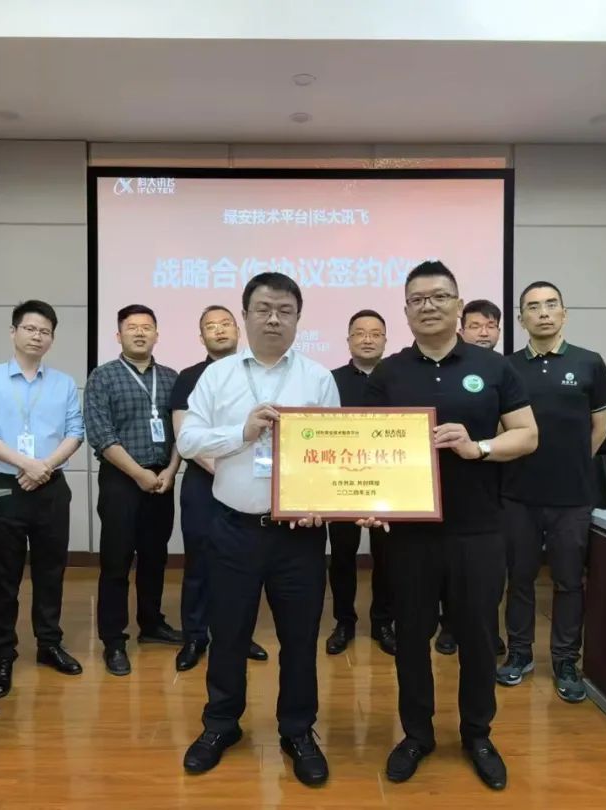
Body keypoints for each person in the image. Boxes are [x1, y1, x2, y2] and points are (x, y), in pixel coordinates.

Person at [362, 261, 537, 789]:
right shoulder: (388, 373)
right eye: (418, 299)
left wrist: (477, 446)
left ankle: (477, 734)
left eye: (440, 296)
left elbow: (527, 435)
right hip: (409, 534)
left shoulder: (494, 366)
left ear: (459, 305)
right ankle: (416, 734)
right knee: (411, 637)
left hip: (478, 529)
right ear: (406, 311)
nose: (429, 306)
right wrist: (366, 498)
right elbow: (367, 446)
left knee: (479, 637)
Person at [177, 272, 340, 786]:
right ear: (245, 315)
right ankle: (221, 725)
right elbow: (188, 441)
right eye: (263, 309)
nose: (274, 319)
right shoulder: (217, 376)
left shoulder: (318, 378)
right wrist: (241, 432)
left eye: (285, 310)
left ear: (298, 318)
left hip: (300, 535)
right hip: (233, 528)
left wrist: (321, 503)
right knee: (228, 632)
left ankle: (298, 730)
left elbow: (334, 451)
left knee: (299, 637)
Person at [496, 281, 606, 704]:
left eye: (551, 305)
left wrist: (571, 464)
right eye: (533, 307)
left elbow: (600, 427)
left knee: (568, 581)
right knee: (520, 578)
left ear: (564, 313)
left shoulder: (589, 363)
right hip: (518, 493)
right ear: (521, 318)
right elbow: (501, 427)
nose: (543, 312)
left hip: (572, 496)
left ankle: (565, 659)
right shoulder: (507, 367)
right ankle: (520, 653)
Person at [0, 300, 85, 699]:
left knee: (51, 572)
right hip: (6, 486)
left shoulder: (64, 383)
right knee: (4, 577)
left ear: (52, 339)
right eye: (30, 329)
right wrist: (27, 465)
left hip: (51, 487)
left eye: (45, 331)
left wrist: (44, 467)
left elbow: (75, 431)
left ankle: (49, 644)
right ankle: (3, 654)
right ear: (13, 332)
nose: (37, 336)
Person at [84, 304, 182, 676]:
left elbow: (182, 431)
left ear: (157, 334)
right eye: (132, 327)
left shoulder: (171, 378)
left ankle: (152, 623)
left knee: (155, 557)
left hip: (162, 480)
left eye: (146, 327)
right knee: (116, 561)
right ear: (118, 335)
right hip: (121, 480)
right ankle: (114, 640)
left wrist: (170, 470)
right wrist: (138, 473)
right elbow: (100, 433)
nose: (140, 333)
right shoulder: (103, 377)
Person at [170, 305, 269, 672]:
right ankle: (195, 636)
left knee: (245, 564)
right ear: (201, 337)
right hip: (204, 482)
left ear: (238, 329)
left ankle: (239, 636)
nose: (220, 330)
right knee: (200, 561)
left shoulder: (256, 373)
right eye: (210, 326)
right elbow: (185, 435)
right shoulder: (189, 377)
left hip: (251, 481)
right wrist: (222, 468)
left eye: (226, 323)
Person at [325, 309, 396, 657]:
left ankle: (383, 621)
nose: (367, 339)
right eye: (360, 333)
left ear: (385, 340)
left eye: (375, 333)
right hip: (342, 482)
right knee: (342, 554)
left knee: (387, 556)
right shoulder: (330, 380)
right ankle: (344, 621)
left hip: (389, 482)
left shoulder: (399, 377)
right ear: (348, 340)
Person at [459, 298, 506, 658]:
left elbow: (524, 432)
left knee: (487, 576)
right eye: (475, 325)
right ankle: (450, 628)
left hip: (498, 488)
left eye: (491, 326)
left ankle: (490, 633)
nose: (483, 332)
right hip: (455, 486)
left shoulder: (503, 370)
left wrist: (481, 447)